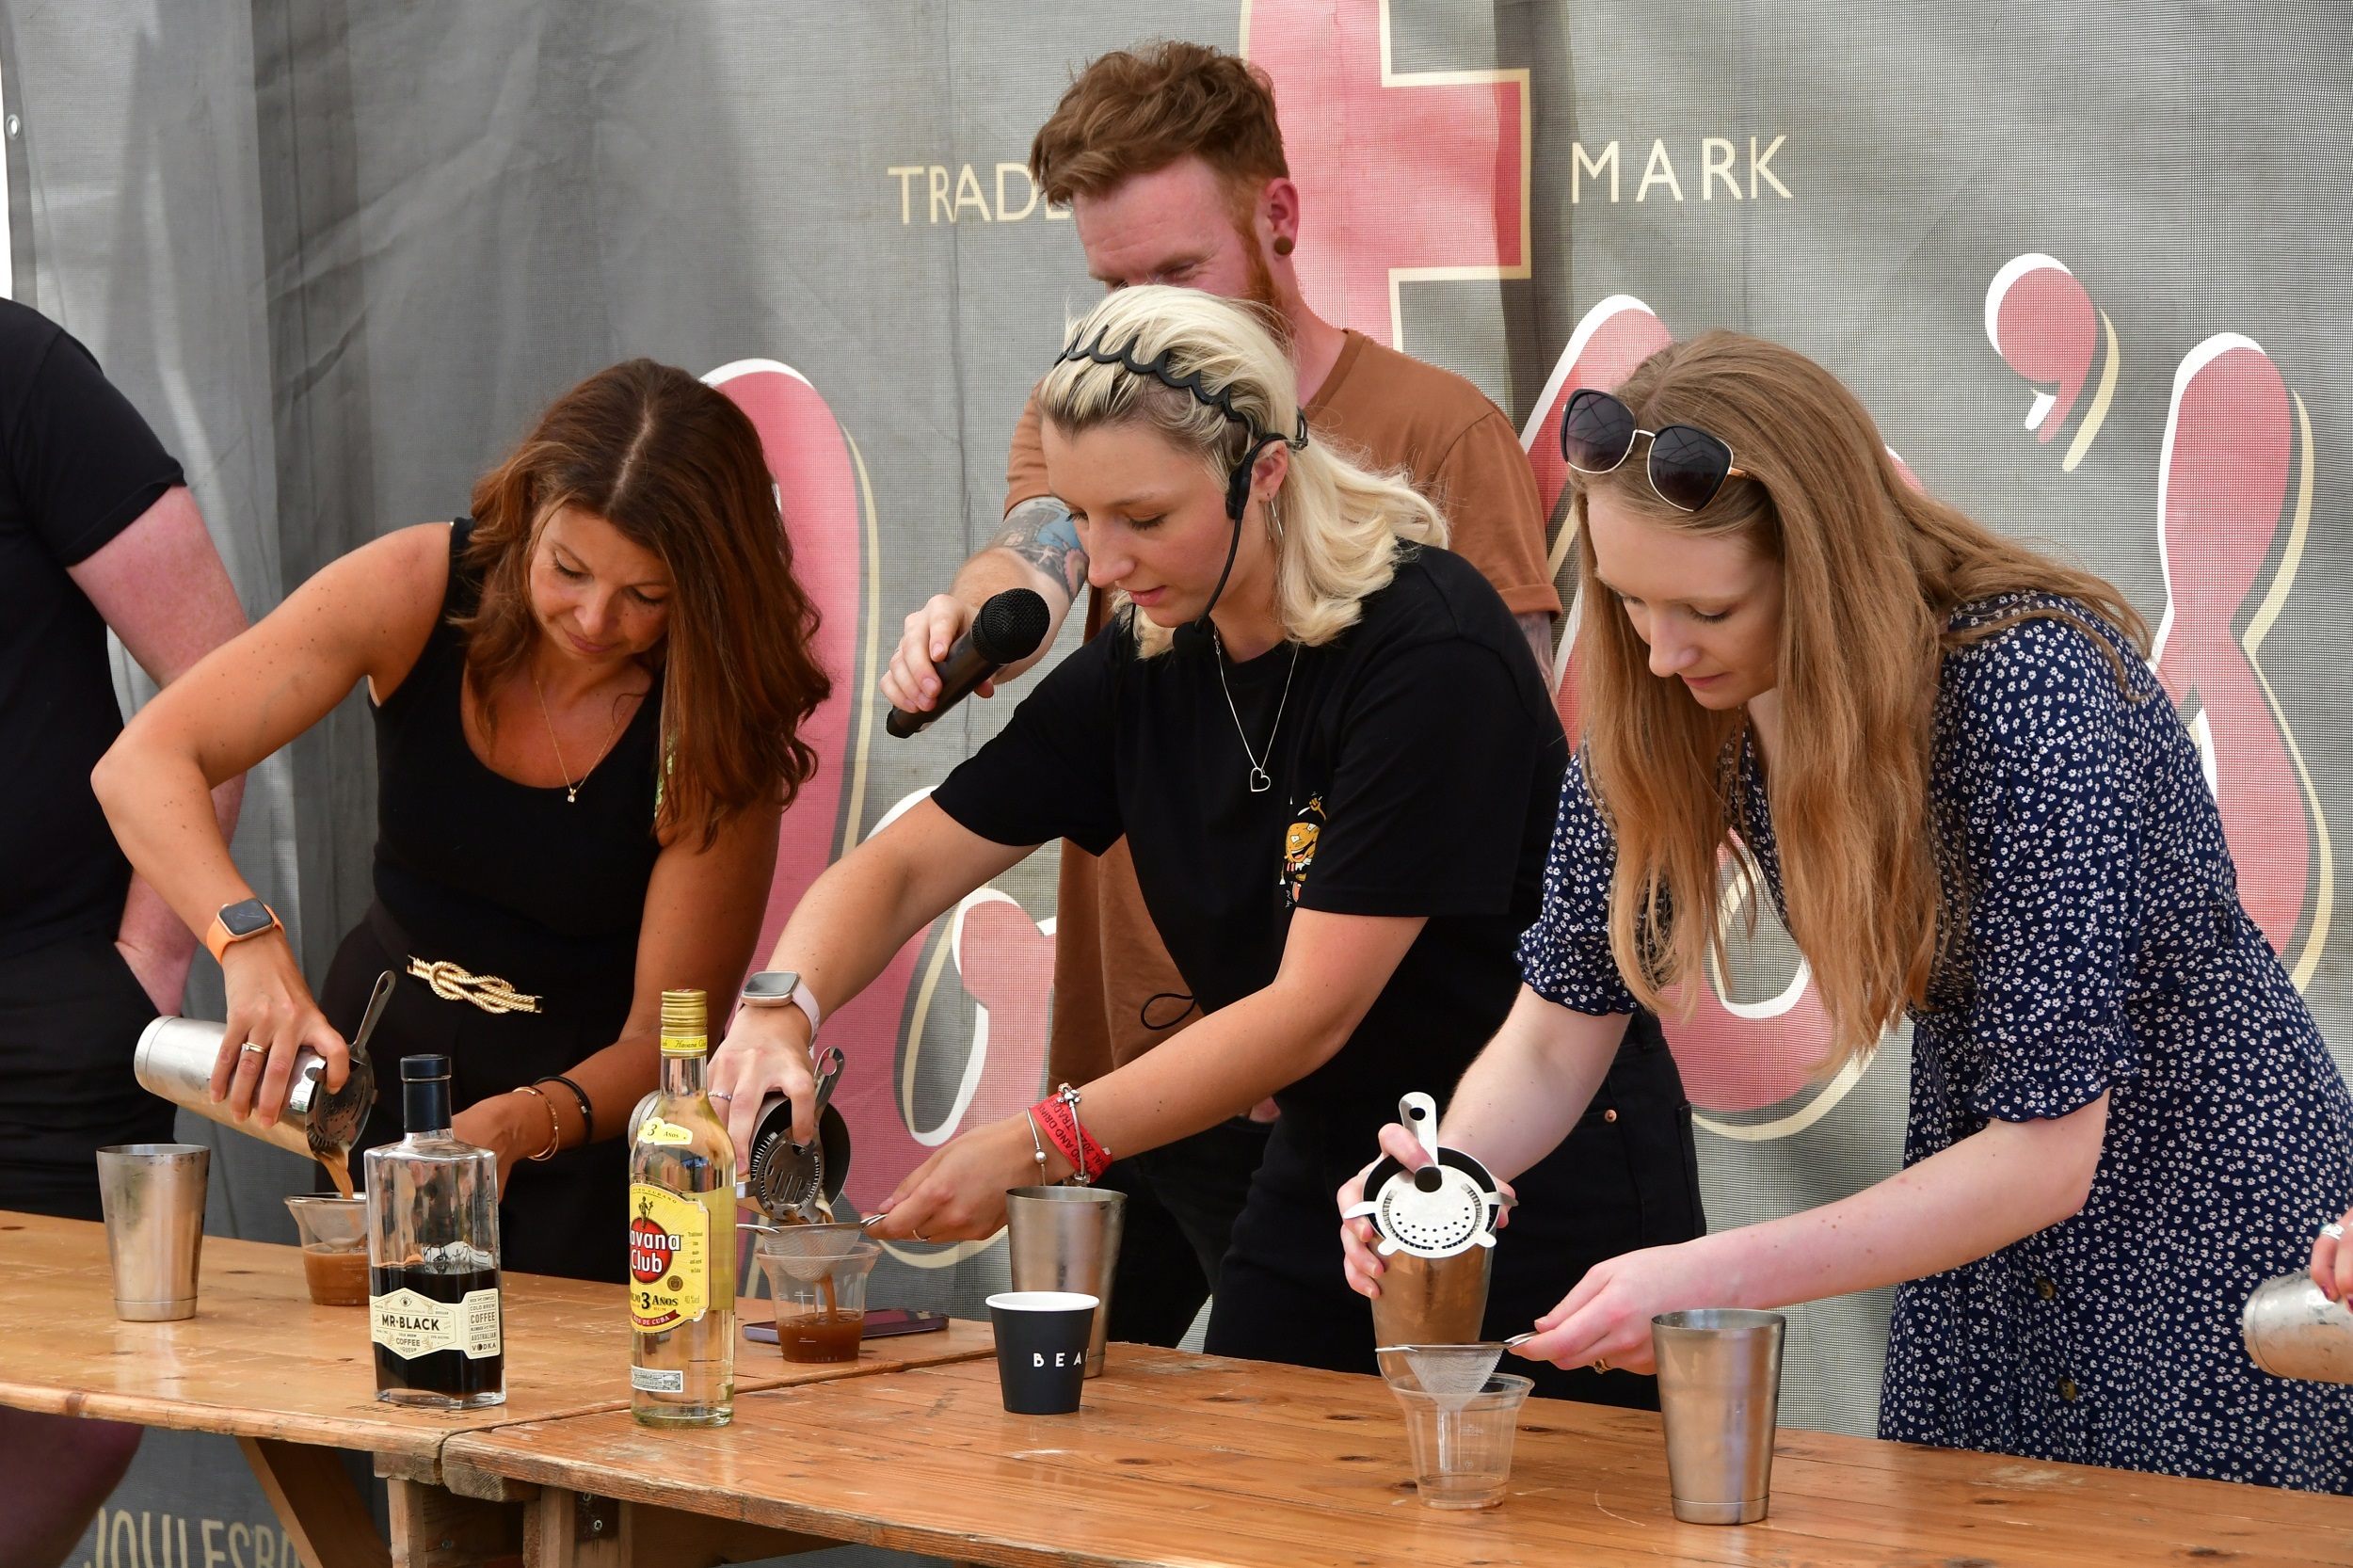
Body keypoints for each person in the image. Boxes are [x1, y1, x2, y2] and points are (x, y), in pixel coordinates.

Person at [1341, 330, 2353, 1492]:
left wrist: (1709, 1270)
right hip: (1979, 1243)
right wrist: (1443, 1181)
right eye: (1626, 602)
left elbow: (2046, 1156)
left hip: (2205, 1221)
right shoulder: (1679, 705)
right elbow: (1560, 1024)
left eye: (1706, 611)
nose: (1662, 652)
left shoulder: (2031, 687)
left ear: (1823, 564)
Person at [884, 40, 1699, 1370]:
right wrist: (959, 625)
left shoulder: (1429, 460)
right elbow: (1033, 554)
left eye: (1172, 274)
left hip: (1395, 1085)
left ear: (1278, 221)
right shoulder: (1091, 409)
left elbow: (1500, 784)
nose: (1129, 318)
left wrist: (1305, 992)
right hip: (1154, 1072)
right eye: (1105, 285)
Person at [716, 284, 1599, 1384]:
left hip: (1528, 1165)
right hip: (1329, 1164)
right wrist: (777, 1009)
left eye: (1144, 518)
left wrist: (1043, 1139)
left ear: (1262, 473)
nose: (1110, 561)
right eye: (1082, 521)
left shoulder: (1430, 650)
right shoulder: (1144, 664)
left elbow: (1309, 1011)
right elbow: (902, 867)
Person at [95, 360, 829, 1283]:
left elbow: (664, 1038)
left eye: (648, 596)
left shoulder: (714, 714)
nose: (596, 618)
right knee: (357, 1392)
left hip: (581, 1136)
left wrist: (522, 1123)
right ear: (527, 508)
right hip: (372, 1088)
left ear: (706, 589)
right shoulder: (418, 584)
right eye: (567, 569)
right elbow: (142, 765)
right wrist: (247, 943)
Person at [0, 300, 249, 1568]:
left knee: (77, 1406)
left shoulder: (22, 375)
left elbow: (219, 682)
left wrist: (151, 958)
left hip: (51, 997)